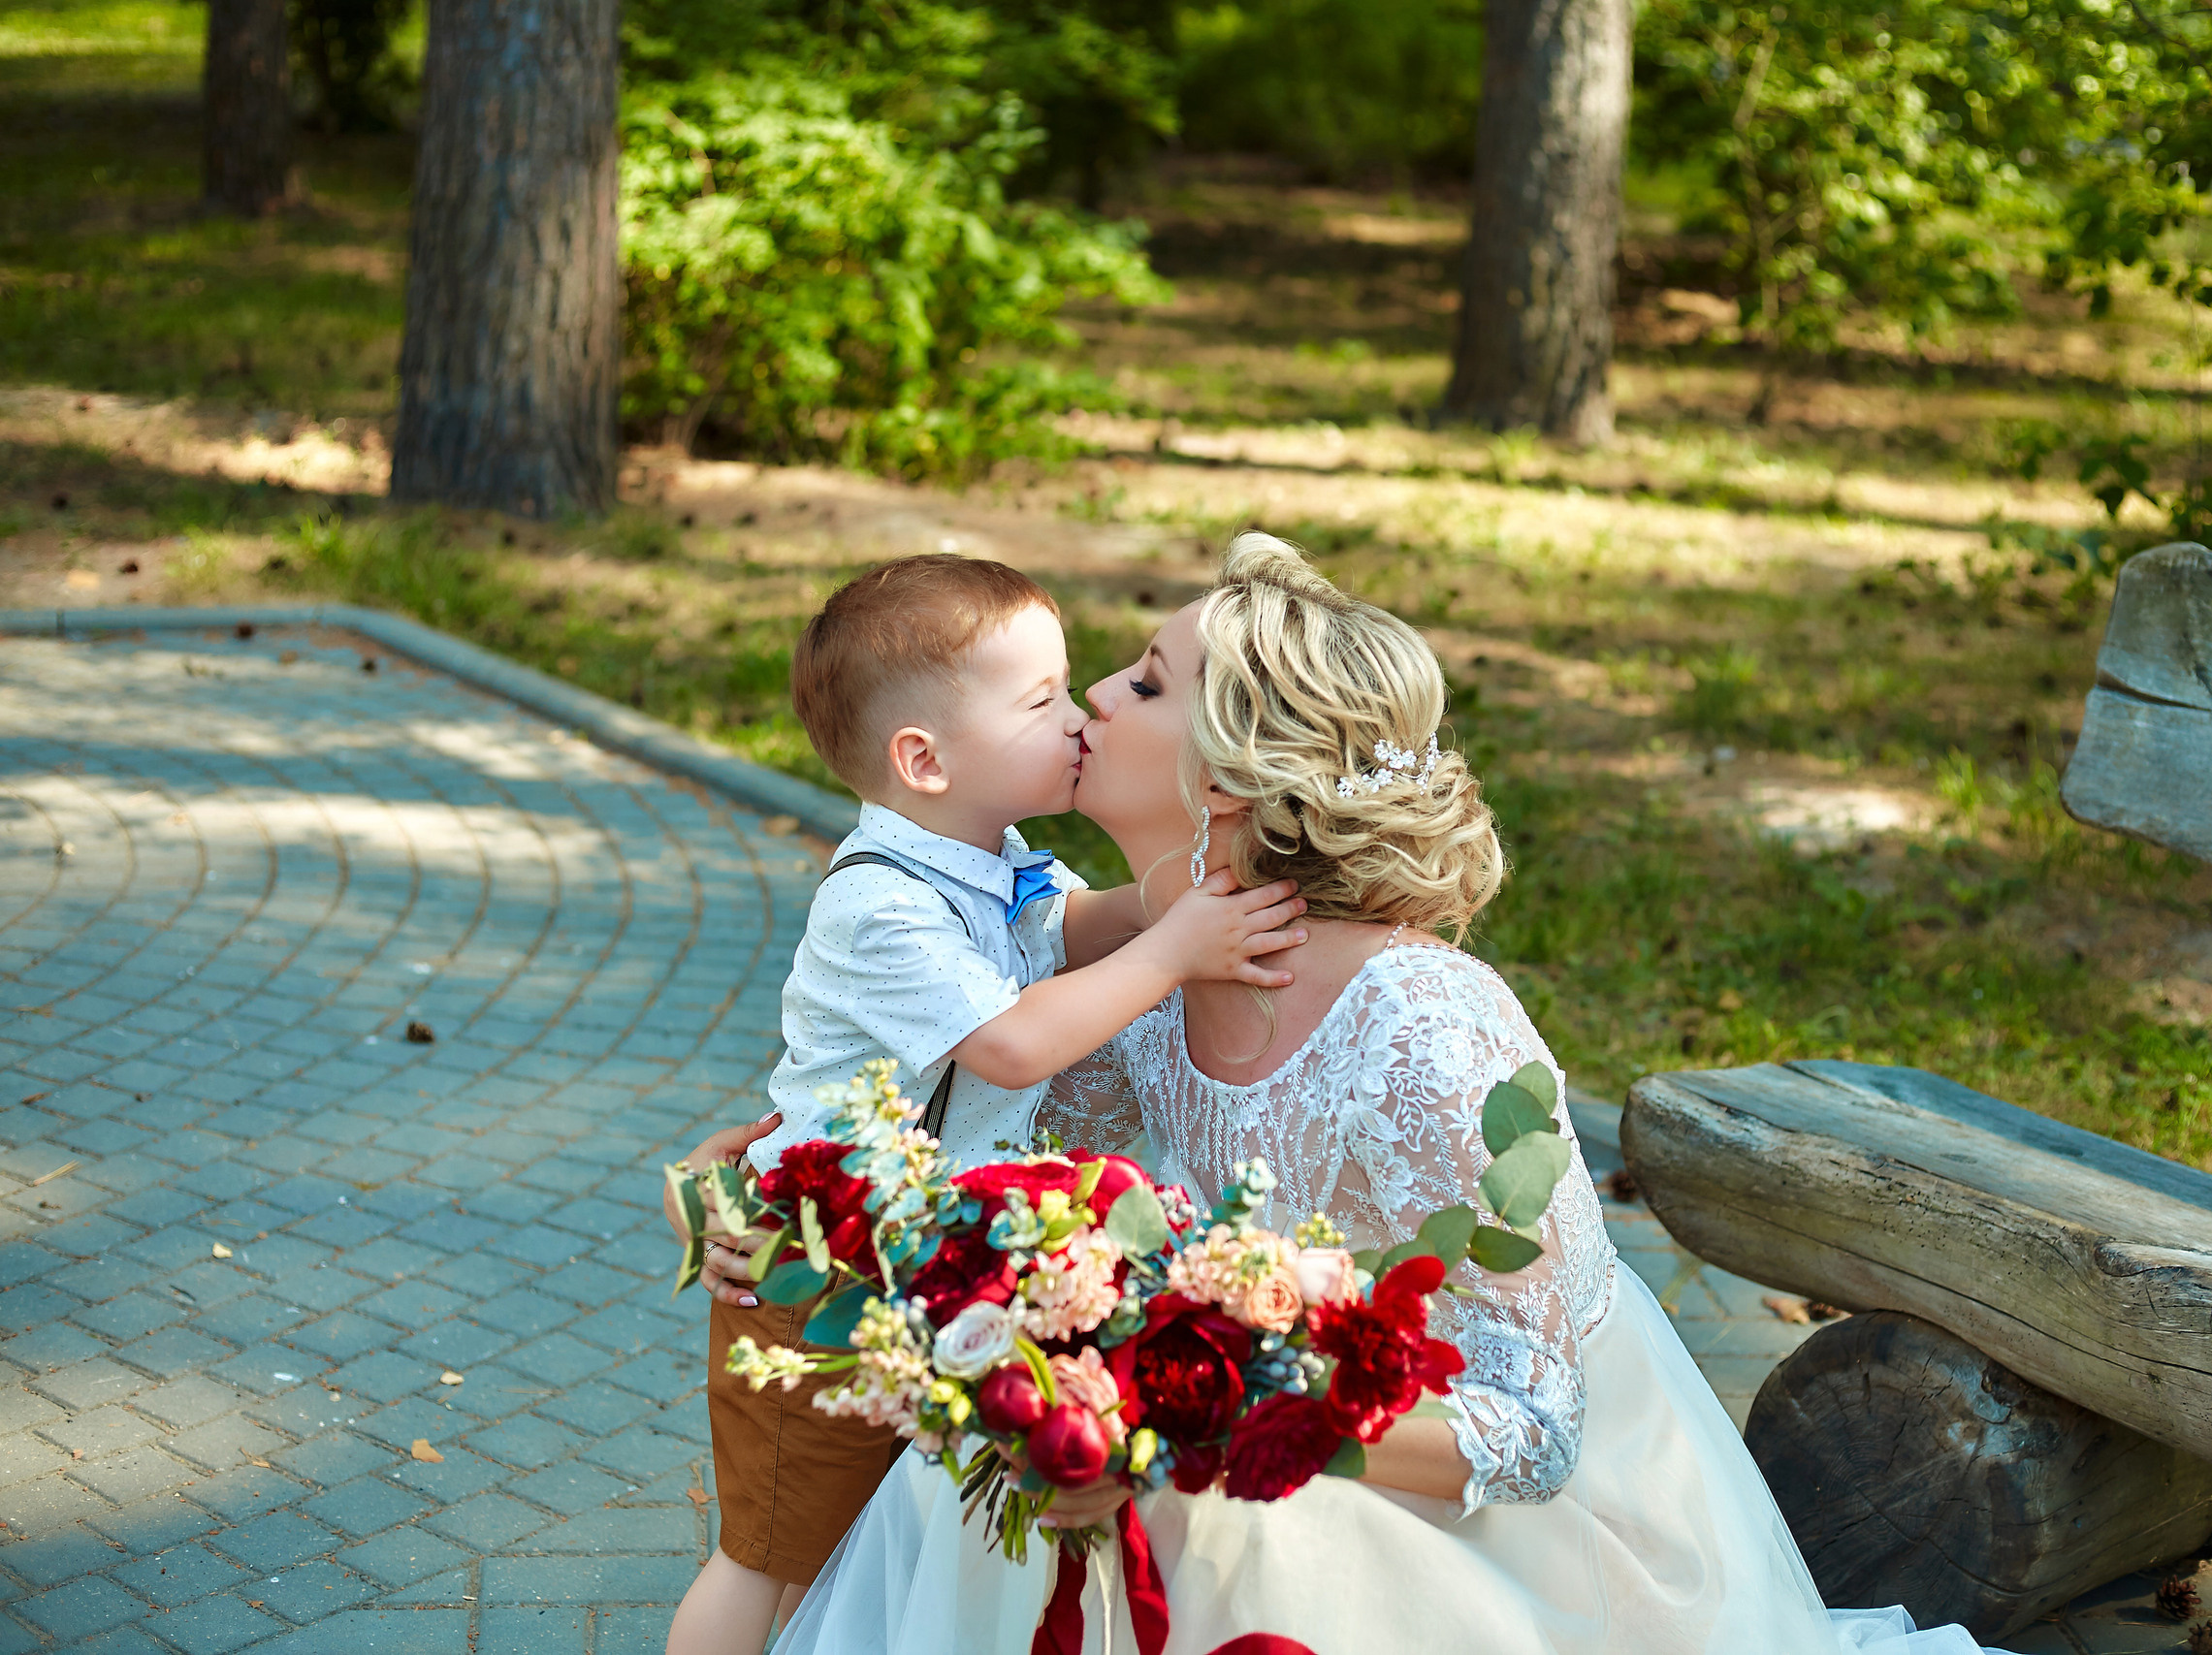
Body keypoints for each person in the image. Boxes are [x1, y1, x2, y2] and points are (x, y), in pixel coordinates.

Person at [774, 535, 2015, 1655]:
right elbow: (1006, 1182)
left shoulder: (1425, 1022)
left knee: (1201, 1511)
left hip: (1495, 1513)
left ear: (1226, 779)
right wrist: (791, 1196)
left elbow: (1531, 1434)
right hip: (1251, 1390)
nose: (1095, 695)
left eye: (1146, 681)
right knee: (1010, 1453)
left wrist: (1194, 1417)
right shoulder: (1143, 972)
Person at [663, 555, 1310, 1655]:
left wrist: (1206, 887)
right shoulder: (881, 901)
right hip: (809, 1268)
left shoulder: (993, 855)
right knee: (775, 1550)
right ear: (923, 761)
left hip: (902, 1260)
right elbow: (1011, 1046)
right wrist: (1174, 950)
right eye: (1040, 700)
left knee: (854, 1535)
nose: (1079, 713)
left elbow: (1074, 928)